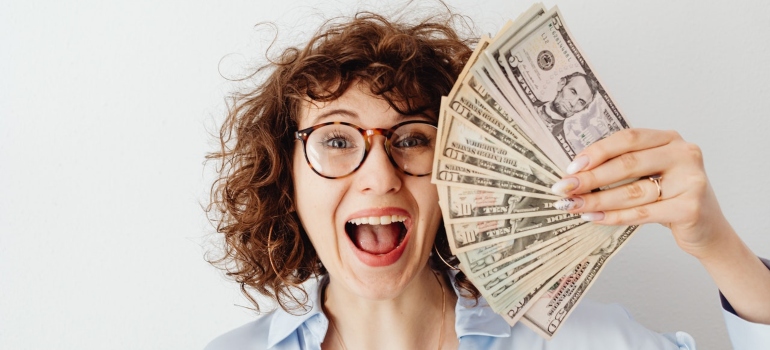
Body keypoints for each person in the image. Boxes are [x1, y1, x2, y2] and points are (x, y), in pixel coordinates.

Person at [204, 7, 770, 350]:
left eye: (411, 140)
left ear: (459, 168)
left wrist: (717, 244)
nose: (379, 177)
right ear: (288, 181)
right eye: (335, 140)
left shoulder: (576, 340)